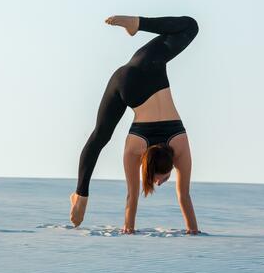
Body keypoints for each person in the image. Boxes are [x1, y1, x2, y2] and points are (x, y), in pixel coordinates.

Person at [69, 14, 201, 235]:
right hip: (125, 83)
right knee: (99, 137)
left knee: (190, 26)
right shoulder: (136, 147)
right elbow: (143, 195)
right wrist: (193, 231)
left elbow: (183, 195)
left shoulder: (179, 143)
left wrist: (192, 229)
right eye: (161, 179)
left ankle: (138, 24)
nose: (159, 183)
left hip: (147, 63)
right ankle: (79, 197)